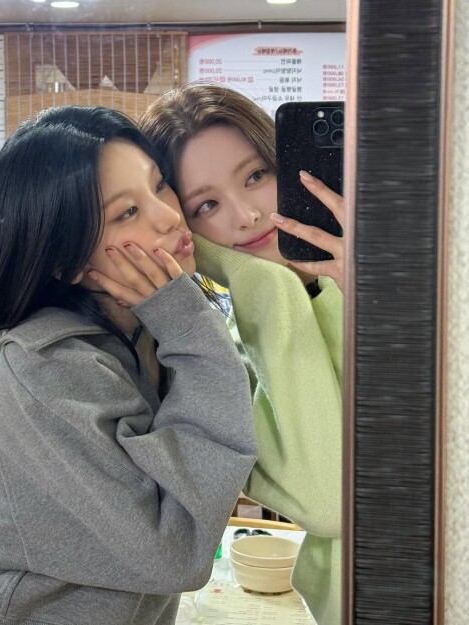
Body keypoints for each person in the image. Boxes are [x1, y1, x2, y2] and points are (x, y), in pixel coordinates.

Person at [0, 105, 257, 625]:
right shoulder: (50, 363)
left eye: (160, 184)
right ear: (68, 261)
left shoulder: (149, 328)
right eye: (127, 213)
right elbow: (176, 551)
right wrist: (187, 325)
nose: (169, 216)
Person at [140, 84, 343, 625]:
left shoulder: (404, 274)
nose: (247, 215)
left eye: (256, 176)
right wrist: (261, 286)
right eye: (205, 205)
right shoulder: (224, 352)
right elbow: (330, 500)